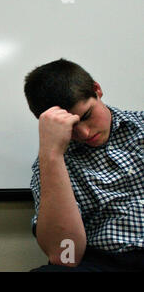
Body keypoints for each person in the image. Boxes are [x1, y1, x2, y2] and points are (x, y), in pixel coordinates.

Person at [23, 59, 143, 272]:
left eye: (86, 116)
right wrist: (52, 156)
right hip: (105, 262)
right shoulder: (52, 166)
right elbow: (65, 256)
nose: (85, 133)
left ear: (97, 90)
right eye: (71, 127)